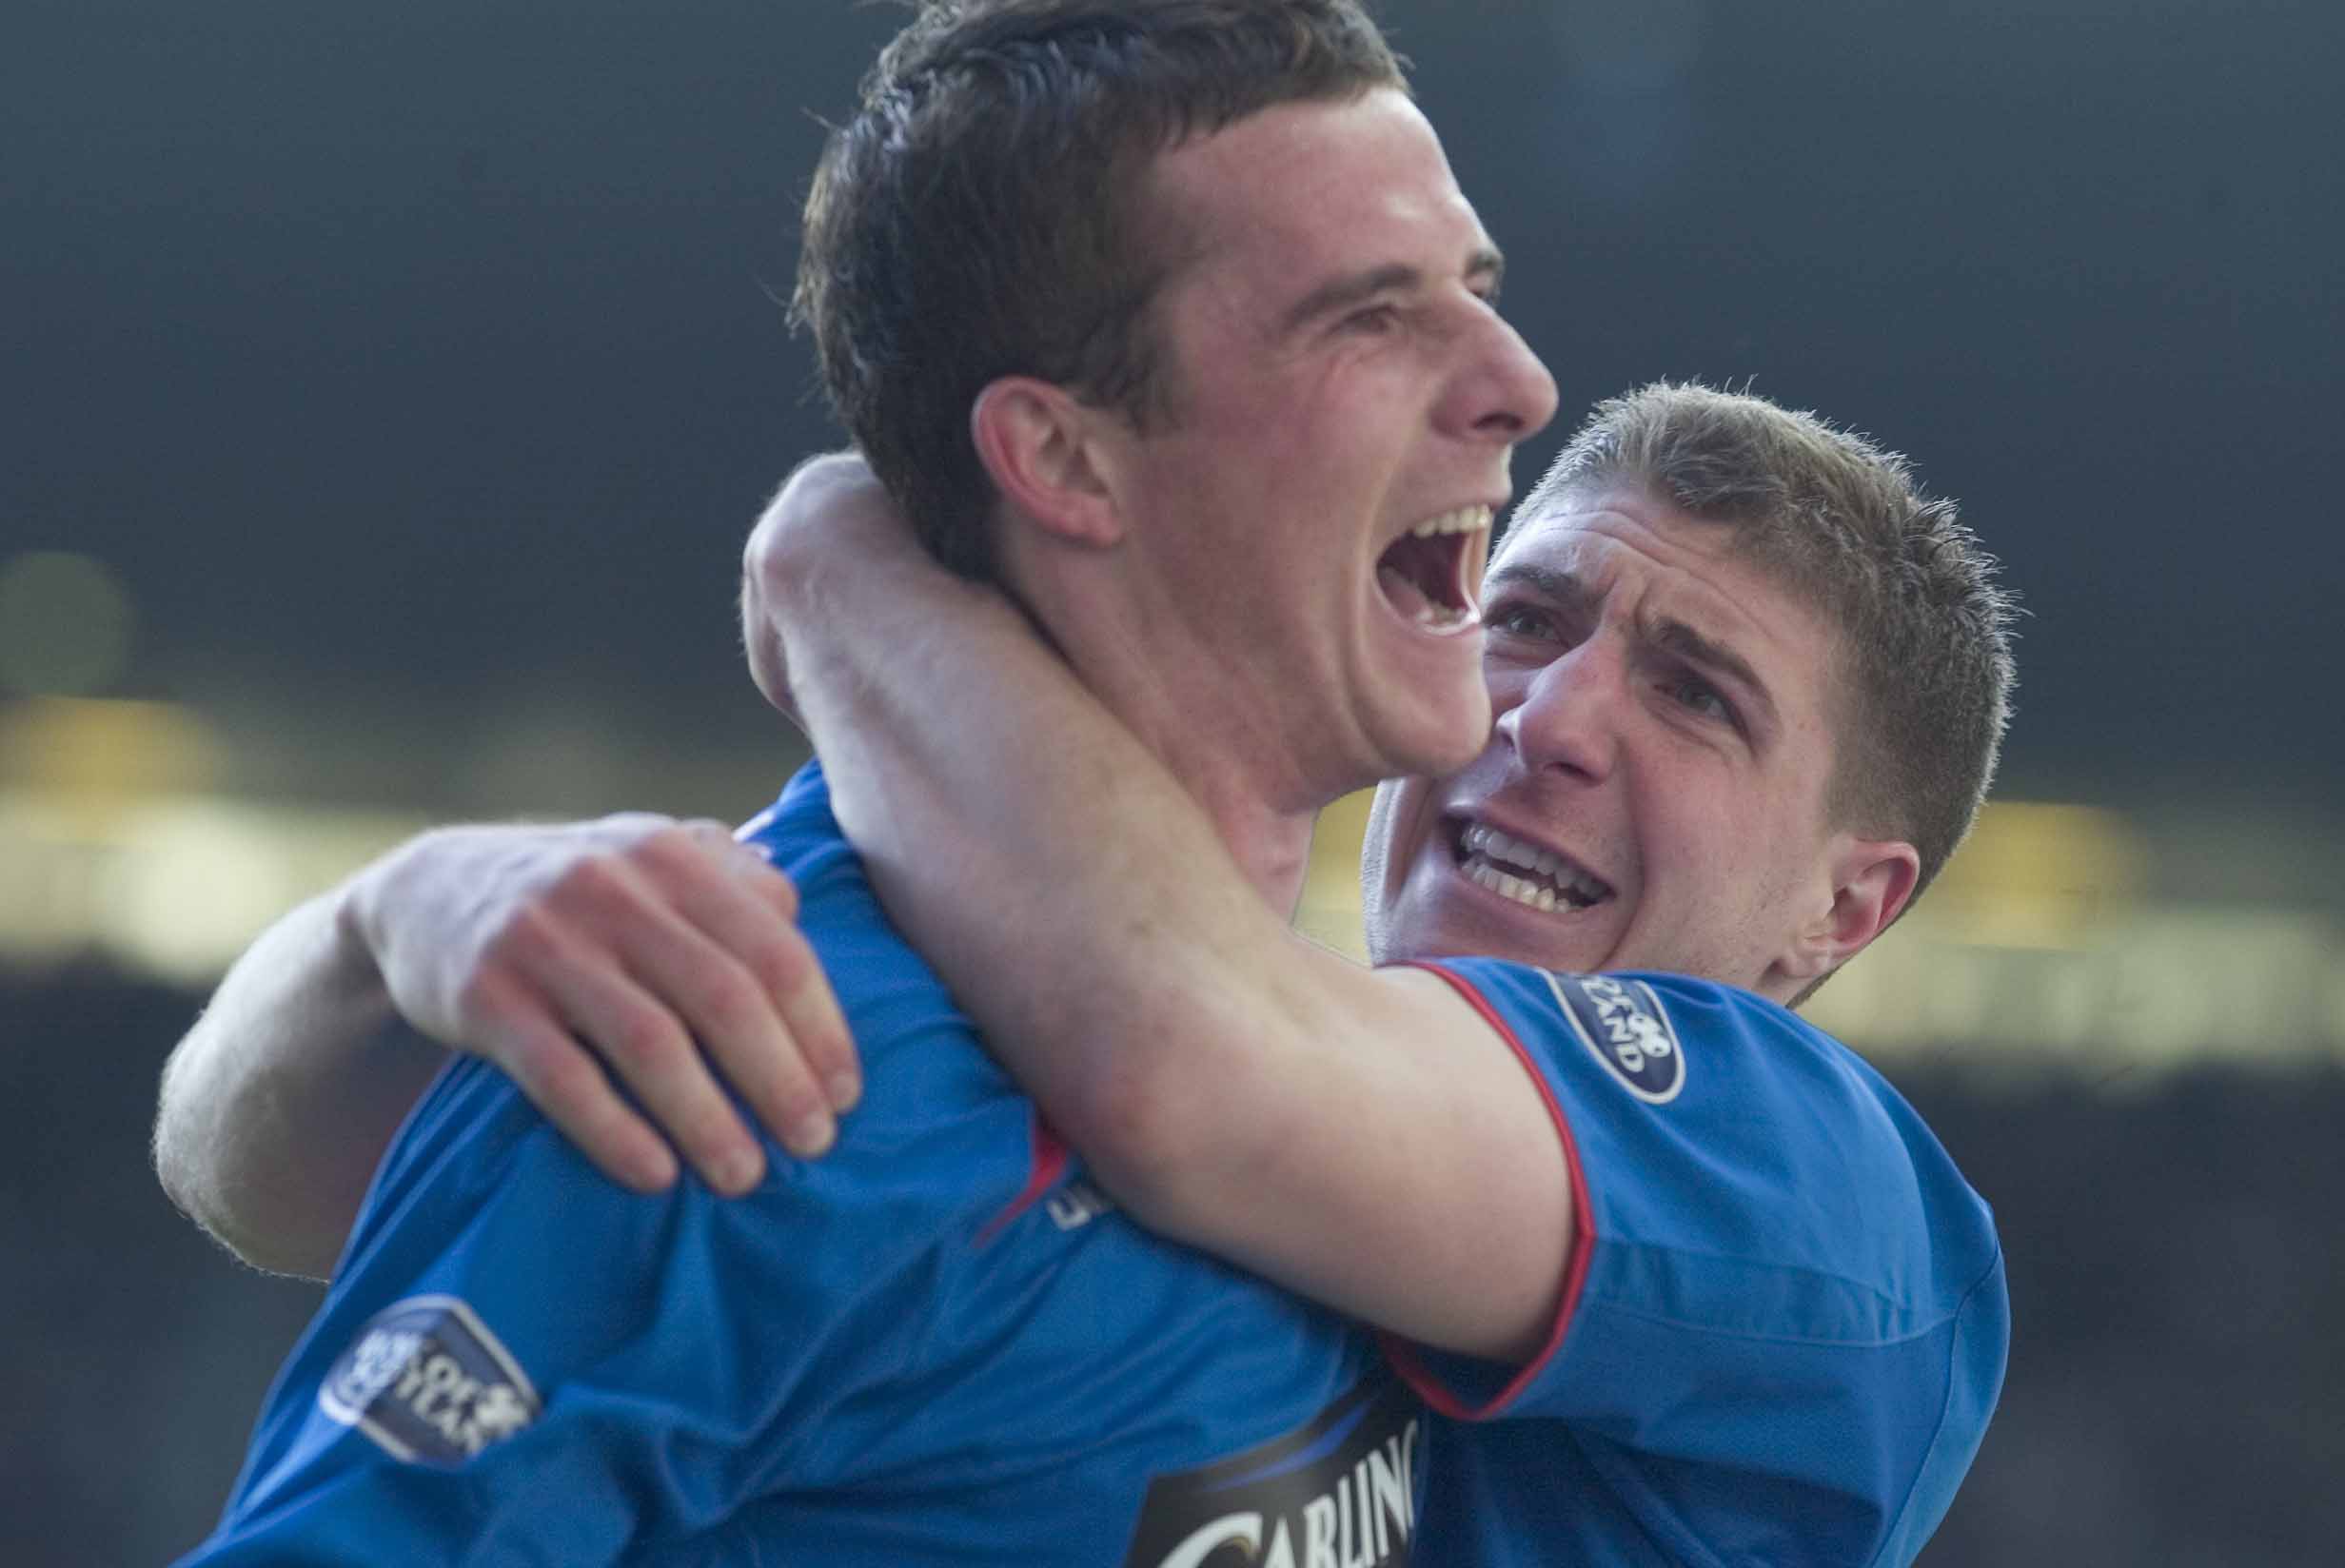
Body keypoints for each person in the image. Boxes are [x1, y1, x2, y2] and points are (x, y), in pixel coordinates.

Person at [165, 2, 1562, 1562]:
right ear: (1065, 459)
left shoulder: (1376, 1098)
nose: (1518, 380)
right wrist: (382, 922)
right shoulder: (753, 1061)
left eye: (1476, 292)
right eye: (1369, 319)